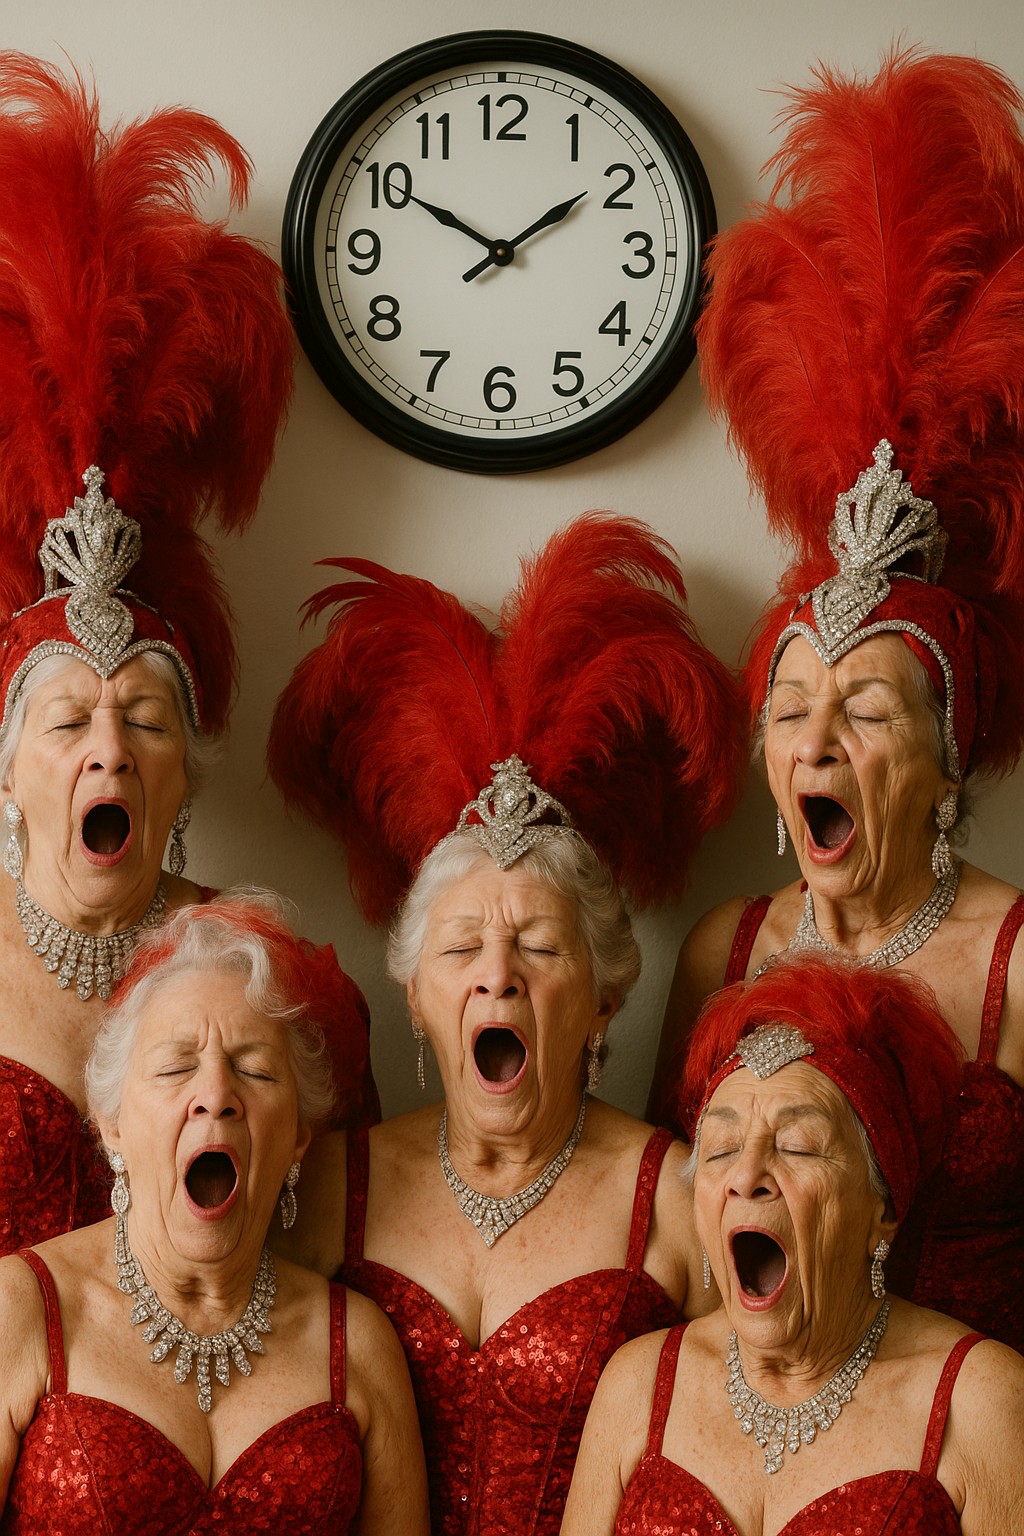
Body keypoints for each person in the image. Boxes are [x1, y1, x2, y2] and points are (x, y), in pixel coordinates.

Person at [648, 47, 1024, 1350]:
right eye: (789, 706)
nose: (813, 739)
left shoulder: (1017, 956)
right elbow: (683, 1239)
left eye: (864, 711)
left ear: (946, 755)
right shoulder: (724, 951)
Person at [268, 513, 748, 1535]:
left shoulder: (684, 1201)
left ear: (604, 997)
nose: (498, 976)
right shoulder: (324, 1190)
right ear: (414, 996)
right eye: (460, 950)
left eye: (538, 946)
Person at [0, 52, 356, 1258]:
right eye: (68, 724)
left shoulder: (264, 973)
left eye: (146, 723)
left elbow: (323, 1247)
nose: (109, 749)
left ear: (186, 775)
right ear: (10, 774)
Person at [0, 892, 427, 1534]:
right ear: (112, 1124)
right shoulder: (20, 1310)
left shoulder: (360, 1347)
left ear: (299, 1135)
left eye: (255, 1071)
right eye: (176, 1068)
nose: (215, 1095)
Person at [568, 956, 1024, 1535]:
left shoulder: (983, 1401)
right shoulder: (635, 1384)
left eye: (799, 1146)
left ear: (884, 1208)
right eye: (721, 1149)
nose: (746, 1176)